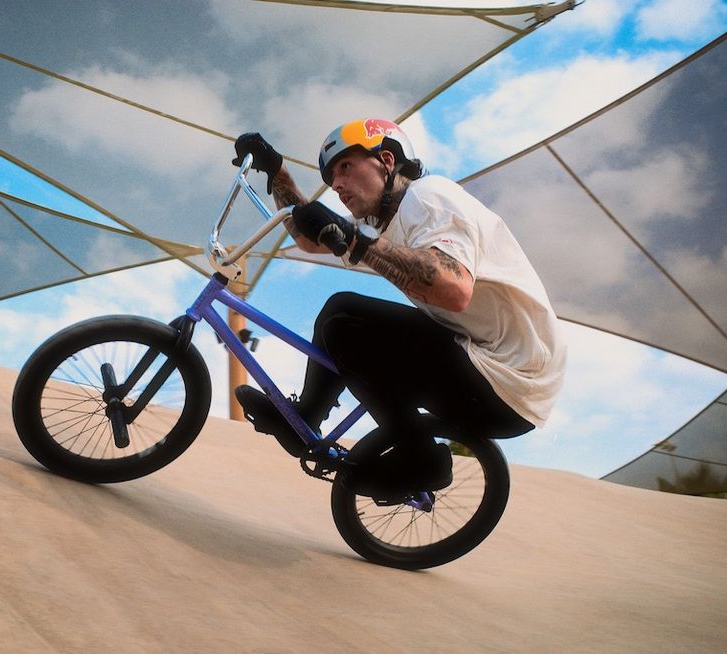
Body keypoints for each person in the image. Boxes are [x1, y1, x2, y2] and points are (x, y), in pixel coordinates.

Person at [231, 119, 566, 498]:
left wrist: (354, 240)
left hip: (509, 382)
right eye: (331, 177)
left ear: (386, 160)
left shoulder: (429, 197)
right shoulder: (383, 225)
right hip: (482, 367)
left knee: (344, 319)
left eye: (345, 167)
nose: (336, 185)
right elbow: (310, 241)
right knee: (338, 315)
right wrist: (278, 172)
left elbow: (454, 289)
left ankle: (420, 460)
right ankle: (304, 418)